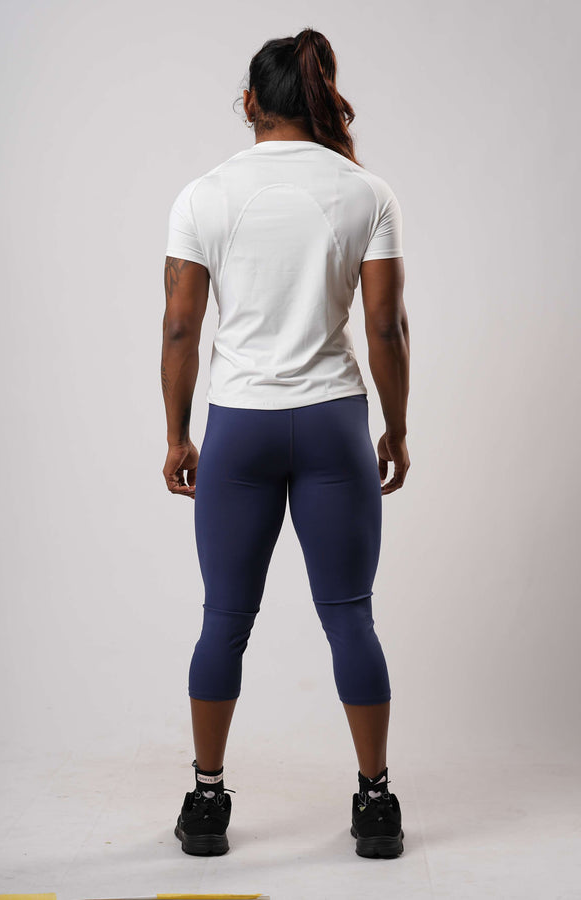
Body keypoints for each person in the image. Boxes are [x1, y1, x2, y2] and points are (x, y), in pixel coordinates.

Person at [161, 27, 410, 860]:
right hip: (336, 423)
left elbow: (180, 327)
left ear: (249, 103)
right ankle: (376, 802)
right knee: (351, 618)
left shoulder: (204, 196)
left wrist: (177, 435)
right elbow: (385, 325)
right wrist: (396, 428)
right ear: (318, 100)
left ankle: (206, 802)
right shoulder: (366, 192)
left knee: (224, 620)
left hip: (239, 427)